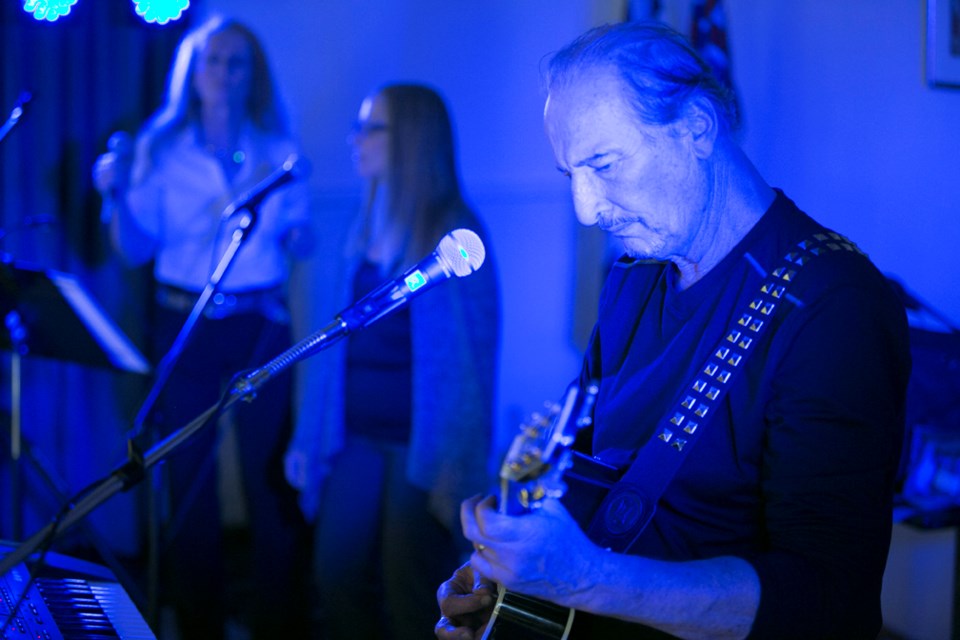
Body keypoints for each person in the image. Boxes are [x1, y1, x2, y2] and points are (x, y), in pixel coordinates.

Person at [436, 21, 910, 640]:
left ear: (697, 127)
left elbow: (829, 600)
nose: (585, 209)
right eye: (569, 174)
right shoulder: (632, 281)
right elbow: (585, 473)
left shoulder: (833, 305)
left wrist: (581, 579)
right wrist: (511, 584)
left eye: (604, 164)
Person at [92, 15, 313, 640]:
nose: (223, 73)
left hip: (260, 324)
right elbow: (133, 248)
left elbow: (299, 239)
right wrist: (113, 195)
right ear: (192, 71)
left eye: (236, 62)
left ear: (253, 75)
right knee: (187, 484)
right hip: (184, 321)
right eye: (212, 61)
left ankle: (278, 622)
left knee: (269, 484)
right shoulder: (160, 147)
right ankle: (200, 625)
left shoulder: (277, 146)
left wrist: (303, 236)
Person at [283, 83, 501, 640]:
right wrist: (309, 438)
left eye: (370, 127)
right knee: (335, 573)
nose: (355, 139)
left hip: (417, 447)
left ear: (410, 139)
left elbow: (469, 370)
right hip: (355, 436)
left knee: (411, 590)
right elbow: (331, 357)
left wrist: (457, 462)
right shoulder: (363, 227)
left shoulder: (454, 236)